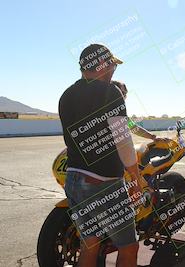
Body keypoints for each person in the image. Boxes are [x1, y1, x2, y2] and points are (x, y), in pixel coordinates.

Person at [59, 44, 144, 267]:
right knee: (128, 247)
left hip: (74, 180)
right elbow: (123, 141)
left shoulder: (66, 95)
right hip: (102, 184)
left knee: (90, 244)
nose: (114, 70)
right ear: (103, 65)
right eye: (113, 65)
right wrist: (136, 179)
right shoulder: (110, 92)